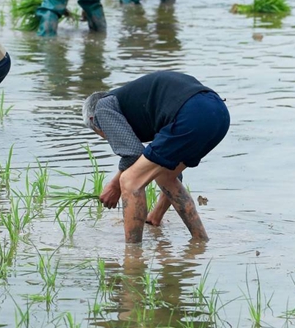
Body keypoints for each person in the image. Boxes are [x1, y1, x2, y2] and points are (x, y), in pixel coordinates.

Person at [82, 71, 230, 243]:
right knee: (166, 174)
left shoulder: (102, 108)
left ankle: (133, 255)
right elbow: (169, 169)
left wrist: (115, 185)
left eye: (100, 133)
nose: (107, 135)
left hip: (192, 113)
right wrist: (156, 216)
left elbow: (133, 155)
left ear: (93, 120)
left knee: (130, 181)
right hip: (219, 113)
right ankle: (200, 240)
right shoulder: (139, 107)